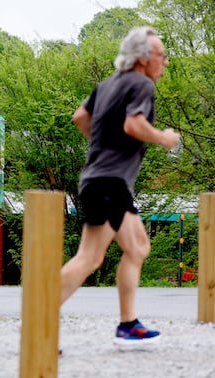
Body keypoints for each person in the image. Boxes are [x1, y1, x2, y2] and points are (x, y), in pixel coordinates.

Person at [61, 26, 180, 346]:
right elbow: (134, 124)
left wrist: (104, 146)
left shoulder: (107, 84)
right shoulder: (141, 83)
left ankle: (128, 325)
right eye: (161, 55)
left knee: (137, 247)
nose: (165, 62)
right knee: (89, 258)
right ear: (143, 59)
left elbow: (79, 118)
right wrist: (164, 139)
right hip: (110, 183)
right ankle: (38, 317)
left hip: (97, 179)